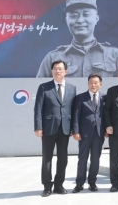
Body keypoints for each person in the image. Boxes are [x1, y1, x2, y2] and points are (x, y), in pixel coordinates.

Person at [36, 0, 118, 78]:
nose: (80, 20)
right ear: (66, 20)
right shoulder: (53, 58)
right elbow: (40, 90)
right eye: (73, 15)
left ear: (96, 19)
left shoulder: (115, 55)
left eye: (86, 14)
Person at [33, 60, 77, 197]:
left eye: (60, 69)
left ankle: (59, 184)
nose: (58, 71)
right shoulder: (44, 87)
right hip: (48, 128)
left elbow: (73, 110)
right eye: (55, 69)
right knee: (47, 158)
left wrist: (74, 128)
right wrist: (38, 127)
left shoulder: (72, 88)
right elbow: (38, 109)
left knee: (63, 158)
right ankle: (47, 186)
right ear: (52, 71)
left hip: (65, 128)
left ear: (66, 71)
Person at [71, 73, 105, 193]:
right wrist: (76, 131)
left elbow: (106, 116)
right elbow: (76, 116)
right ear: (87, 84)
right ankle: (79, 183)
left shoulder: (104, 98)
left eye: (96, 83)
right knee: (82, 159)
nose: (93, 85)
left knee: (95, 159)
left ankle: (92, 183)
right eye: (91, 82)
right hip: (84, 134)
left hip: (99, 133)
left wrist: (106, 130)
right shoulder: (80, 98)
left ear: (100, 84)